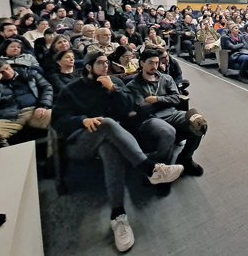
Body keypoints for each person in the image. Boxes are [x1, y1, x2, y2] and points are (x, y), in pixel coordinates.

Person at [52, 51, 184, 252]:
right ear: (88, 67)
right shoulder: (72, 89)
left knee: (109, 148)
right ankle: (151, 169)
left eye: (107, 63)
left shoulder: (113, 84)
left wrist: (113, 89)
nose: (106, 66)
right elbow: (58, 121)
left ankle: (118, 215)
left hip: (107, 139)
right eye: (100, 63)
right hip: (79, 141)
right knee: (105, 123)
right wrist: (82, 120)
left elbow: (129, 110)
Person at [126, 49, 206, 177]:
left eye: (157, 63)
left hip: (171, 113)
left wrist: (156, 99)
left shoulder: (166, 78)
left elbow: (176, 98)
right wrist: (164, 100)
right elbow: (141, 108)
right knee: (168, 131)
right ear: (141, 63)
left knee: (199, 124)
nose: (155, 66)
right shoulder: (133, 85)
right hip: (150, 119)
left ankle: (185, 158)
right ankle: (162, 170)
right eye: (151, 63)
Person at [0, 58, 53, 147]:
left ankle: (52, 155)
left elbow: (46, 87)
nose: (7, 73)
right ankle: (14, 158)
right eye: (1, 72)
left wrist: (43, 105)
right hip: (7, 117)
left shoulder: (27, 73)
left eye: (7, 68)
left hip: (33, 110)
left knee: (60, 116)